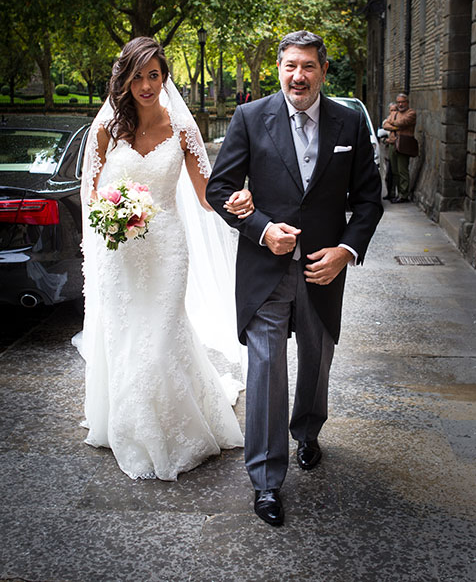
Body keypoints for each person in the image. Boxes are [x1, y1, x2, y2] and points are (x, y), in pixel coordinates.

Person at [207, 30, 383, 526]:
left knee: (316, 360)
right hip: (265, 271)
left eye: (308, 66)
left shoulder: (350, 121)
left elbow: (369, 200)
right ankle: (265, 480)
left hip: (323, 270)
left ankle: (307, 431)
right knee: (265, 370)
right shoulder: (249, 117)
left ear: (323, 71)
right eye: (290, 66)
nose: (298, 76)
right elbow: (220, 188)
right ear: (279, 69)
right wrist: (261, 229)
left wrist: (345, 251)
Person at [75, 36, 255, 481]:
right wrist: (113, 213)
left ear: (164, 78)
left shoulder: (182, 130)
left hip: (168, 249)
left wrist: (241, 199)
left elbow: (207, 195)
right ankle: (131, 423)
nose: (146, 85)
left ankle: (169, 430)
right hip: (120, 252)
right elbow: (90, 193)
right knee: (128, 338)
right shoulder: (106, 130)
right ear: (125, 79)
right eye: (137, 76)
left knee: (159, 340)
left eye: (153, 75)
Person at [382, 92, 416, 203]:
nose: (400, 104)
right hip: (393, 144)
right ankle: (397, 193)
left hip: (403, 145)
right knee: (394, 171)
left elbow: (402, 122)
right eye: (398, 102)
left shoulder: (411, 113)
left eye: (402, 102)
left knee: (402, 170)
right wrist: (395, 127)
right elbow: (385, 125)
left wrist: (392, 124)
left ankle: (404, 195)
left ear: (407, 102)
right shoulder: (395, 113)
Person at [381, 102, 398, 200]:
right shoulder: (386, 121)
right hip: (388, 151)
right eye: (392, 110)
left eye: (395, 110)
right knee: (388, 174)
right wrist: (387, 140)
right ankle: (389, 193)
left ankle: (395, 193)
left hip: (398, 149)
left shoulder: (399, 120)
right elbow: (382, 134)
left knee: (396, 173)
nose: (393, 112)